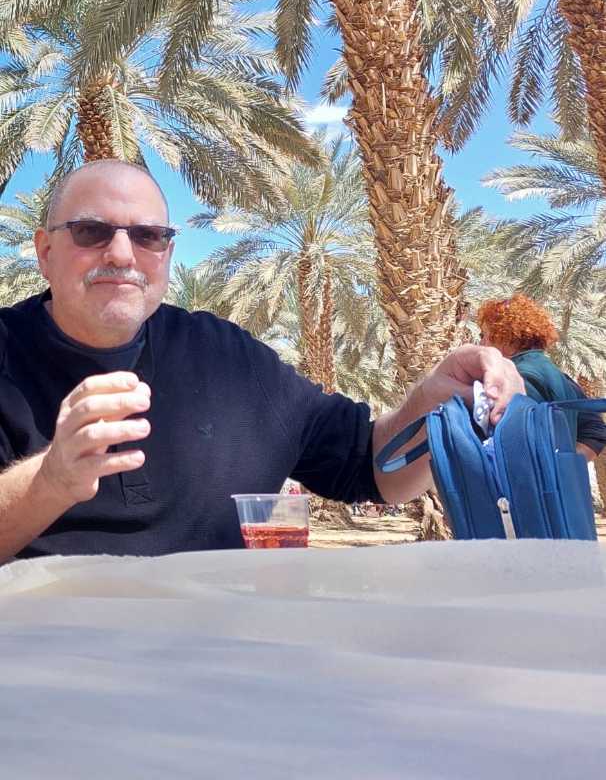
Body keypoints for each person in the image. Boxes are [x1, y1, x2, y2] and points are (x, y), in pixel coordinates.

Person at [0, 160, 525, 562]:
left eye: (148, 236)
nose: (121, 254)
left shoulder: (226, 356)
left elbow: (370, 468)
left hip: (223, 651)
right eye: (91, 231)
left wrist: (435, 403)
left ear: (166, 254)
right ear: (45, 252)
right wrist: (51, 480)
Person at [477, 295, 606, 462]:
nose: (481, 343)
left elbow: (511, 443)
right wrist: (562, 466)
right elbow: (595, 431)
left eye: (484, 335)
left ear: (505, 336)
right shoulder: (560, 378)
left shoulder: (516, 377)